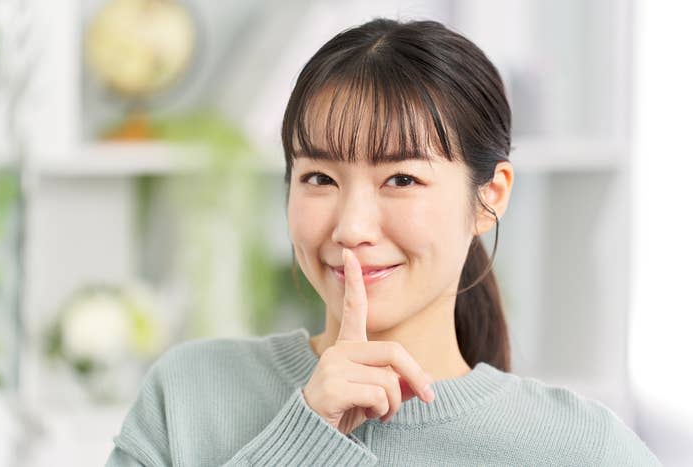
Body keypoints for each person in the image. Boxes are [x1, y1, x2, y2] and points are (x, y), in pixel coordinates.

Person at [106, 18, 661, 466]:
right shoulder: (189, 393)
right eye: (318, 178)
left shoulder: (579, 449)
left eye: (402, 179)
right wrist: (305, 437)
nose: (350, 228)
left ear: (489, 197)